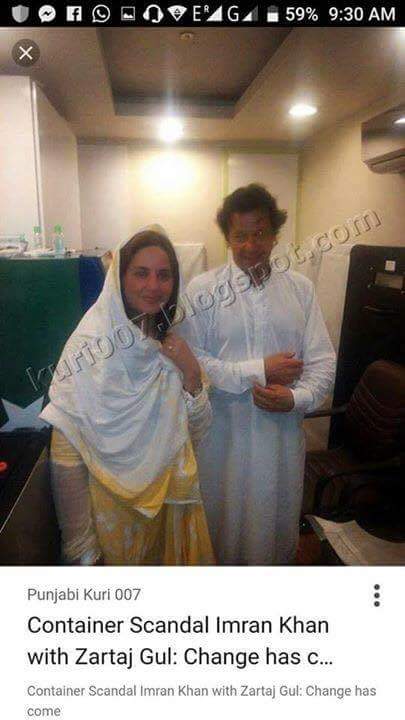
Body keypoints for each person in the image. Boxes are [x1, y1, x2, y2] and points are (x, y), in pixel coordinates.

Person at [180, 184, 336, 565]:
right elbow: (193, 364)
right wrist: (260, 370)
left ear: (275, 234)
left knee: (272, 533)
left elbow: (323, 361)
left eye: (260, 233)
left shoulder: (300, 290)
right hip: (222, 442)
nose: (251, 245)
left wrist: (296, 398)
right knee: (220, 532)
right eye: (240, 236)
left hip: (279, 442)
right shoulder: (202, 291)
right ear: (227, 237)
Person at [40, 226, 214, 566]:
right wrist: (82, 548)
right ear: (120, 279)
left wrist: (191, 375)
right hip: (109, 523)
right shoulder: (88, 348)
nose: (153, 285)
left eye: (164, 275)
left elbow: (196, 435)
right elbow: (66, 455)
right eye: (141, 273)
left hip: (168, 514)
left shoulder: (172, 344)